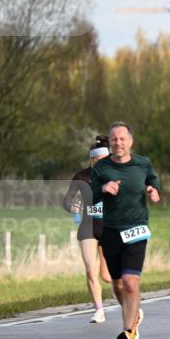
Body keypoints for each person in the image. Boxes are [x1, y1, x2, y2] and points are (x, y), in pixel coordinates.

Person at [90, 122, 159, 339]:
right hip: (111, 231)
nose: (118, 143)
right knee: (117, 284)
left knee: (131, 281)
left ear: (130, 141)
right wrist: (103, 188)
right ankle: (134, 310)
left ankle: (128, 331)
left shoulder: (143, 163)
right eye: (114, 140)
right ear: (109, 143)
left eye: (122, 139)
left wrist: (153, 190)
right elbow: (91, 194)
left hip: (136, 228)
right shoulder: (101, 169)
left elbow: (152, 179)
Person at [62, 136, 113, 323]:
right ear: (91, 159)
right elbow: (67, 199)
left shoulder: (116, 175)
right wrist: (72, 207)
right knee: (91, 271)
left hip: (108, 227)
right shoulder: (81, 176)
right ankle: (99, 310)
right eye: (97, 160)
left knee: (107, 276)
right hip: (88, 227)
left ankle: (125, 292)